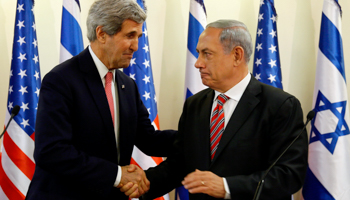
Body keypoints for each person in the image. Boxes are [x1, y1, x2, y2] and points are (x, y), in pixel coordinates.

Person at [122, 19, 309, 200]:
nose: (198, 63)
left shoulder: (280, 106)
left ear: (237, 55)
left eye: (207, 54)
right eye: (198, 53)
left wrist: (226, 187)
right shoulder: (195, 105)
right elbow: (180, 164)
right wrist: (142, 183)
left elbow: (289, 175)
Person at [25, 0, 176, 199]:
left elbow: (148, 140)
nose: (136, 46)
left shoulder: (127, 85)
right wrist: (117, 175)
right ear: (102, 34)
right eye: (130, 36)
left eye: (138, 36)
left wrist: (197, 135)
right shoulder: (61, 80)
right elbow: (51, 151)